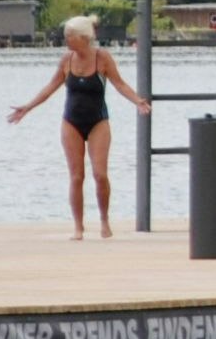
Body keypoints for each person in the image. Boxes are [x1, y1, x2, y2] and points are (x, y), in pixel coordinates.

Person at [10, 14, 150, 239]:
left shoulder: (102, 58)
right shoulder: (66, 60)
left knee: (100, 174)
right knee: (76, 176)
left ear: (84, 38)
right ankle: (78, 226)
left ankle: (104, 221)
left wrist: (137, 100)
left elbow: (120, 84)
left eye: (69, 36)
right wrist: (27, 107)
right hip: (71, 123)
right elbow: (50, 88)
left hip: (98, 122)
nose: (66, 40)